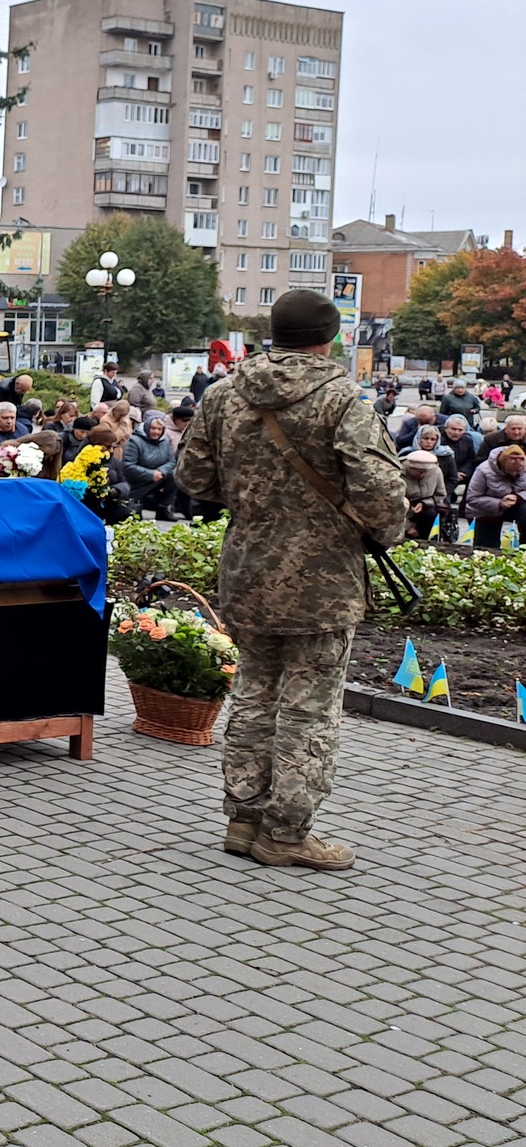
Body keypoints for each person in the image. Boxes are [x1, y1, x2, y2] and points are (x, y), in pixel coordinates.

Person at [175, 290, 406, 872]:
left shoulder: (224, 393)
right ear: (330, 336)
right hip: (321, 581)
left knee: (253, 694)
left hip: (248, 569)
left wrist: (256, 502)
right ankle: (286, 833)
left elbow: (192, 475)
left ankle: (242, 819)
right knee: (308, 709)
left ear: (274, 331)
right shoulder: (340, 397)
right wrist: (377, 530)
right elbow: (381, 494)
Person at [118, 410, 180, 520]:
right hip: (136, 480)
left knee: (174, 476)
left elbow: (171, 461)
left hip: (158, 476)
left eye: (159, 429)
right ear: (147, 428)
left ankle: (164, 509)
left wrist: (161, 471)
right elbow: (128, 465)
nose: (156, 432)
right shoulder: (135, 441)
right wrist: (150, 474)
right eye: (153, 428)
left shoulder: (165, 441)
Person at [463, 444, 526, 549]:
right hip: (489, 509)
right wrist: (499, 503)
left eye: (518, 472)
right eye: (511, 472)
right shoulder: (483, 470)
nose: (515, 474)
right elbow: (472, 498)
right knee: (486, 547)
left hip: (518, 504)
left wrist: (518, 497)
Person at [401, 450, 451, 542]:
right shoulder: (399, 473)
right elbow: (392, 504)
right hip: (403, 511)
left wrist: (424, 503)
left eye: (425, 472)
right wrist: (407, 527)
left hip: (427, 511)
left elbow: (440, 495)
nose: (423, 475)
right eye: (419, 472)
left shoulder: (436, 471)